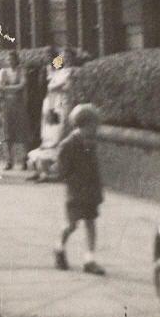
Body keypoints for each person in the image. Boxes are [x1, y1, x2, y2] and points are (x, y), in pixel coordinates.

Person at [54, 104, 106, 275]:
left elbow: (95, 169)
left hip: (90, 192)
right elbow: (62, 171)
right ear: (83, 125)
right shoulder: (67, 145)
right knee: (71, 225)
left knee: (91, 223)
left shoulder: (91, 143)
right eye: (94, 126)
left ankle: (89, 259)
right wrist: (74, 182)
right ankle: (59, 248)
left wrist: (98, 190)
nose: (96, 130)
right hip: (75, 193)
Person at [27, 48, 74, 182]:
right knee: (48, 133)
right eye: (64, 57)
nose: (66, 59)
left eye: (69, 56)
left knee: (59, 134)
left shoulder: (71, 72)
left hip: (62, 105)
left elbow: (66, 87)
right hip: (52, 105)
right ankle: (42, 169)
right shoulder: (57, 71)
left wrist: (56, 86)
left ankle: (57, 170)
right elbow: (51, 77)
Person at [0, 50, 29, 171]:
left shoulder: (22, 71)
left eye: (13, 59)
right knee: (7, 132)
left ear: (17, 60)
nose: (11, 62)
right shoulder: (3, 72)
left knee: (22, 132)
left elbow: (22, 85)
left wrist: (6, 88)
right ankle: (9, 160)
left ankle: (25, 159)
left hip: (19, 105)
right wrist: (11, 88)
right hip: (7, 105)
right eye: (9, 59)